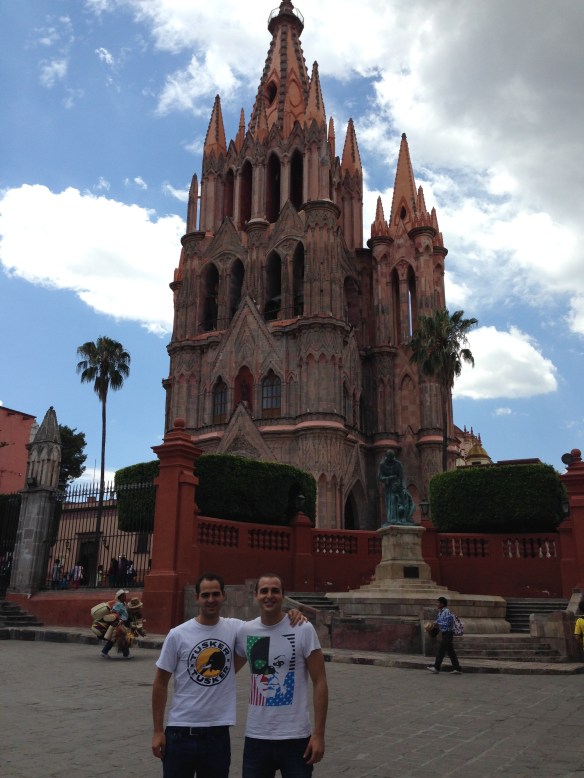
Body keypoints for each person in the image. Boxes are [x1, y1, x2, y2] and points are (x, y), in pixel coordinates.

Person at [151, 572, 306, 778]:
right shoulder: (178, 634)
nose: (211, 600)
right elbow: (160, 683)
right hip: (180, 732)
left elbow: (267, 622)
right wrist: (157, 731)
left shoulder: (237, 628)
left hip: (217, 735)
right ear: (197, 598)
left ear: (224, 596)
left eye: (215, 594)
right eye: (205, 595)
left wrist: (291, 614)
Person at [235, 573, 328, 777]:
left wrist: (319, 734)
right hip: (256, 737)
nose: (270, 596)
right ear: (256, 596)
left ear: (283, 595)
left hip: (296, 737)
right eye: (264, 591)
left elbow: (320, 681)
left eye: (275, 591)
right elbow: (226, 671)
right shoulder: (246, 631)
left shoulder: (303, 629)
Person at [377, 449, 414, 526]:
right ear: (386, 457)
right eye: (389, 458)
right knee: (390, 503)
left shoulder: (397, 464)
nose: (391, 460)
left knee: (400, 502)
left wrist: (403, 488)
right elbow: (379, 477)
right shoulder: (382, 465)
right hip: (388, 487)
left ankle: (400, 519)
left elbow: (402, 477)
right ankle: (391, 519)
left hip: (397, 486)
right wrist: (388, 478)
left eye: (392, 458)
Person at [427, 596, 462, 674]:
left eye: (438, 602)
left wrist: (437, 624)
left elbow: (448, 622)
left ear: (442, 604)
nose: (437, 604)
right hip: (444, 633)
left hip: (448, 633)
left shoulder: (446, 611)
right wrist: (434, 624)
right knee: (450, 651)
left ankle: (436, 667)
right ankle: (457, 668)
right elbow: (439, 620)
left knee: (441, 650)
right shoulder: (440, 612)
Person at [101, 588, 131, 659]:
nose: (125, 597)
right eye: (124, 596)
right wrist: (119, 619)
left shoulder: (123, 604)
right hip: (118, 624)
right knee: (118, 638)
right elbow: (114, 612)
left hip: (123, 624)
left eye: (125, 595)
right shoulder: (118, 604)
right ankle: (125, 654)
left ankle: (125, 654)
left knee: (119, 639)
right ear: (120, 597)